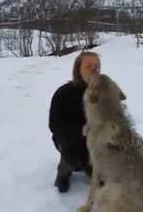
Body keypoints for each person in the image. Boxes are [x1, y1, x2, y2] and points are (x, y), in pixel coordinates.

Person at [49, 51, 101, 193]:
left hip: (95, 144)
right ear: (78, 70)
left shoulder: (102, 92)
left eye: (97, 66)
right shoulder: (63, 93)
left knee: (101, 178)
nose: (93, 70)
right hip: (69, 141)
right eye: (88, 66)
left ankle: (89, 165)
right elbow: (54, 125)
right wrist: (81, 130)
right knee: (70, 158)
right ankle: (64, 172)